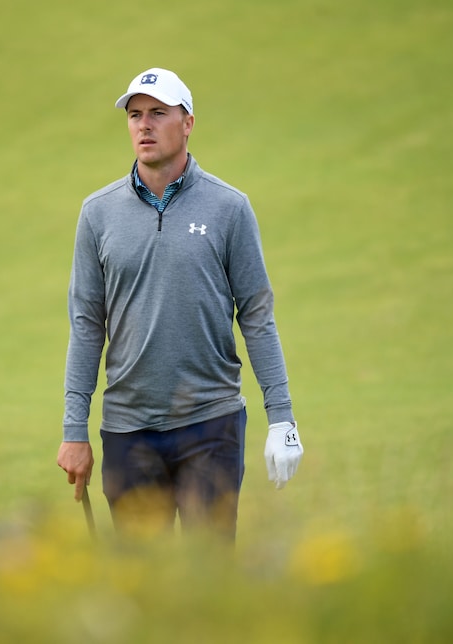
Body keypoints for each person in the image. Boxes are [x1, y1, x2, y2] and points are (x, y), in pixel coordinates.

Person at [56, 67, 303, 541]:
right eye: (134, 116)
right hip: (129, 430)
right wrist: (74, 430)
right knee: (140, 587)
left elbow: (256, 315)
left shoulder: (229, 208)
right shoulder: (97, 214)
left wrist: (282, 418)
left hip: (211, 424)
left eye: (157, 114)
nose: (143, 125)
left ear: (187, 122)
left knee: (209, 584)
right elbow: (87, 325)